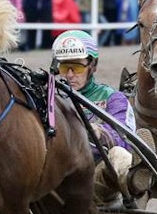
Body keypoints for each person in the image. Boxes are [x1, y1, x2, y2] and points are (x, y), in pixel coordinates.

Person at [51, 30, 137, 202]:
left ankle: (134, 179)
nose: (69, 75)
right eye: (63, 67)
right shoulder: (49, 98)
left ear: (93, 65)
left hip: (95, 174)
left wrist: (99, 132)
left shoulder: (112, 98)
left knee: (119, 154)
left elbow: (124, 137)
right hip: (57, 173)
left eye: (76, 67)